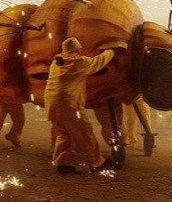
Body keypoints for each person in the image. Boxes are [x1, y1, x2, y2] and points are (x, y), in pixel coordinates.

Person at [44, 37, 118, 174]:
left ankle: (62, 163)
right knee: (86, 133)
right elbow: (98, 62)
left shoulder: (56, 62)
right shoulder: (78, 62)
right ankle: (97, 163)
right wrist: (111, 51)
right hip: (68, 105)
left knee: (64, 134)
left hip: (51, 104)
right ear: (78, 50)